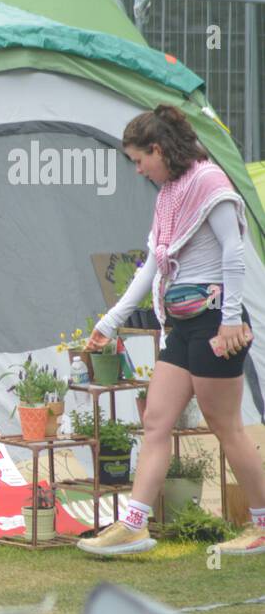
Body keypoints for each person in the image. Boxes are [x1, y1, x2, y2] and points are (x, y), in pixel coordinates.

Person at [81, 105, 265, 557]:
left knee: (227, 429)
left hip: (215, 322)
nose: (138, 169)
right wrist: (109, 322)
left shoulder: (209, 182)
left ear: (158, 150)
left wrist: (229, 322)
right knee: (156, 421)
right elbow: (150, 269)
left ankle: (262, 525)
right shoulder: (168, 193)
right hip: (179, 326)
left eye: (139, 159)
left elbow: (233, 255)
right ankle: (135, 526)